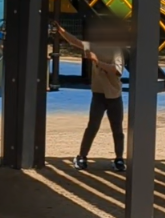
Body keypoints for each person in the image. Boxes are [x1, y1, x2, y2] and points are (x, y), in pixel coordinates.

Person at [54, 21, 126, 172]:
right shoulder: (95, 46)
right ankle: (82, 156)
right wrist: (62, 31)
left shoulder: (116, 50)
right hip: (99, 94)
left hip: (114, 95)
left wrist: (97, 62)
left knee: (117, 129)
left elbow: (117, 70)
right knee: (92, 126)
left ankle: (119, 158)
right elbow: (76, 42)